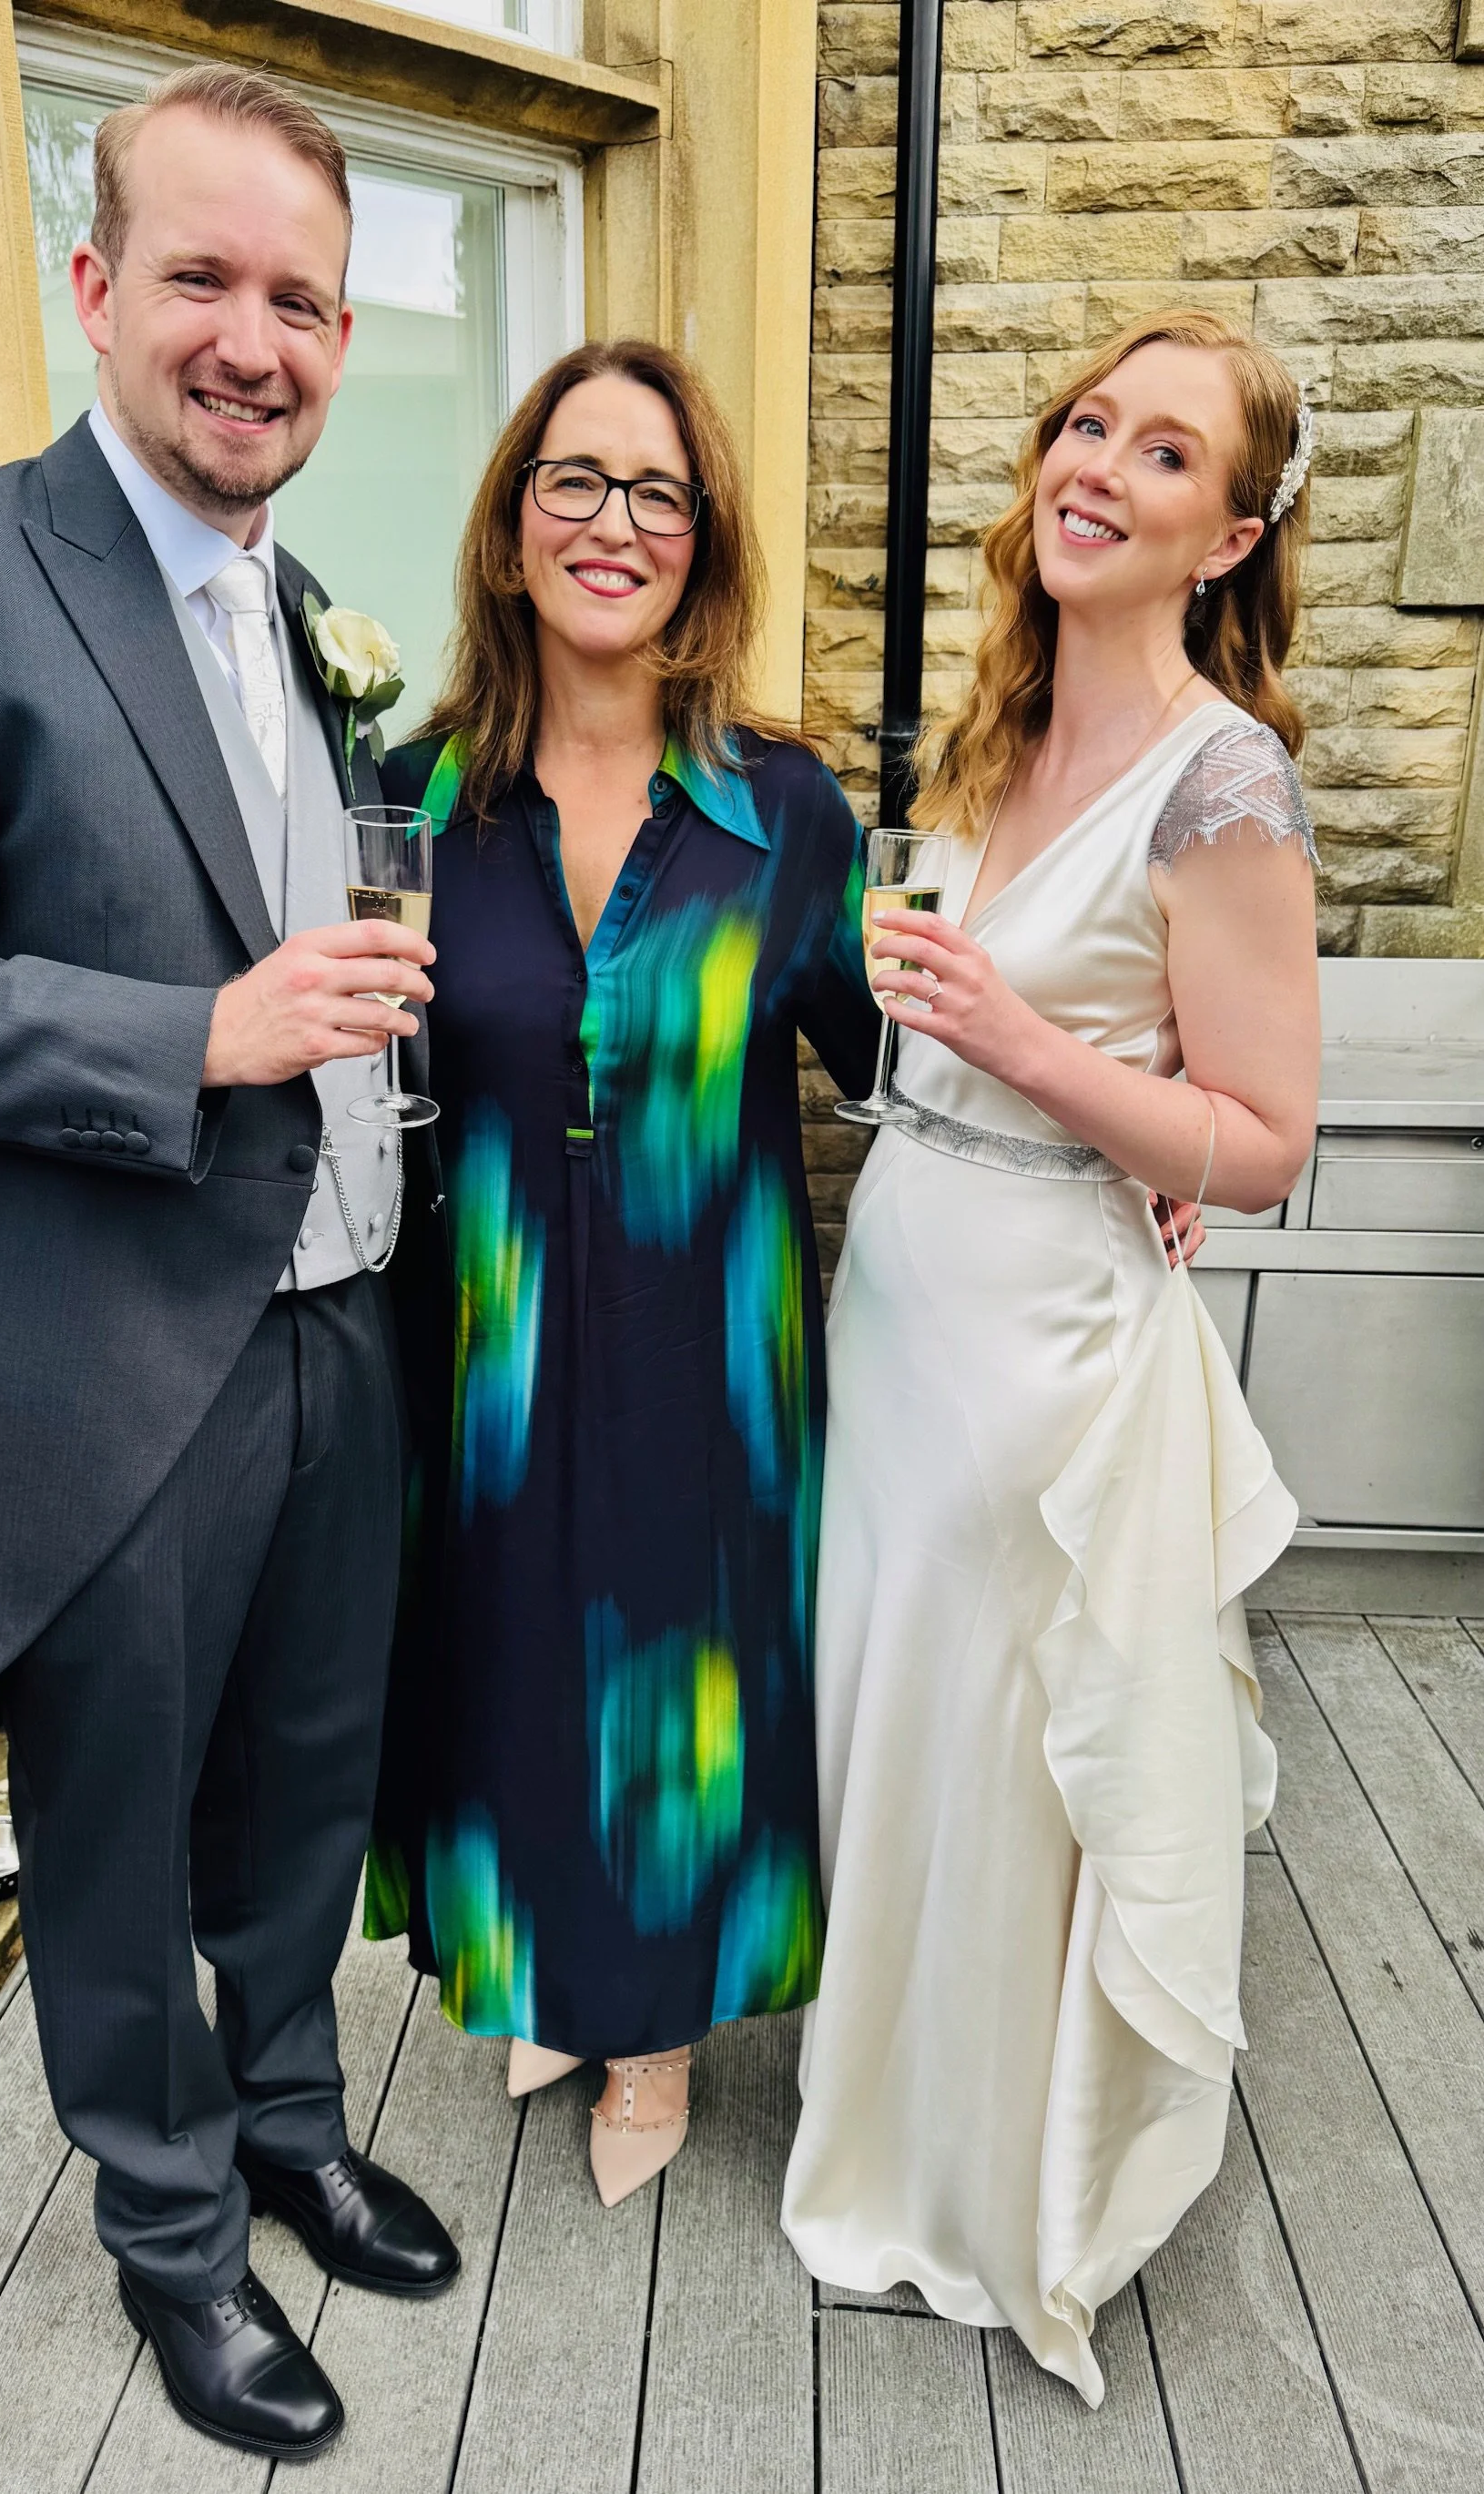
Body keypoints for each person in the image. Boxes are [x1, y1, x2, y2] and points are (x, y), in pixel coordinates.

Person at [0, 66, 456, 2464]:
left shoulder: (315, 617)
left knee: (306, 1784)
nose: (256, 340)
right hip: (114, 1356)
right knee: (121, 1823)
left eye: (304, 300)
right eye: (203, 278)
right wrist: (203, 1032)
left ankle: (290, 2125)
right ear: (93, 284)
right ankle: (171, 2229)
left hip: (342, 1316)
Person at [780, 309, 1320, 2404]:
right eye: (1089, 422)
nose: (1099, 463)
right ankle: (883, 2121)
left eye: (1165, 451)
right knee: (894, 1726)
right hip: (903, 1300)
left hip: (1047, 1359)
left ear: (1229, 535)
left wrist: (1028, 1051)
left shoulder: (1223, 777)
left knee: (1011, 1760)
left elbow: (1261, 1144)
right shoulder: (993, 732)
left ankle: (985, 2183)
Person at [365, 340, 882, 2204]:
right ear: (513, 527)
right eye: (573, 480)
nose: (614, 522)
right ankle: (545, 1976)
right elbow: (354, 1072)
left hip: (704, 1355)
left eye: (657, 491)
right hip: (484, 1353)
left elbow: (899, 1065)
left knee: (676, 1686)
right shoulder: (407, 799)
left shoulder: (785, 813)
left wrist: (1127, 1144)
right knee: (506, 1657)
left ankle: (650, 2030)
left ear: (703, 541)